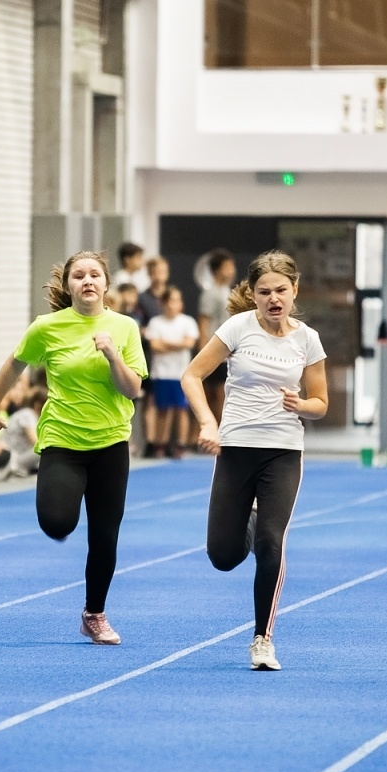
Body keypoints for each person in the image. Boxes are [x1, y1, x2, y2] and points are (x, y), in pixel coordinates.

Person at [0, 251, 147, 644]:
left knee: (104, 537)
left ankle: (95, 613)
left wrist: (111, 355)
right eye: (78, 276)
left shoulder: (124, 328)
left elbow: (133, 389)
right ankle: (61, 512)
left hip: (110, 443)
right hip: (63, 440)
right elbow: (13, 365)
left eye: (94, 275)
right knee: (57, 522)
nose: (87, 281)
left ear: (106, 285)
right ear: (68, 285)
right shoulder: (47, 327)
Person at [182, 251, 328, 671]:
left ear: (294, 290)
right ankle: (248, 517)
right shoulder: (237, 328)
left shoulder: (307, 339)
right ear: (252, 294)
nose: (273, 298)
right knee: (223, 555)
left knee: (271, 543)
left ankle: (263, 639)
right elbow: (191, 376)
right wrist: (208, 423)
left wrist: (302, 403)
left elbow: (320, 403)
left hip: (283, 452)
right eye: (264, 292)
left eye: (281, 290)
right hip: (235, 449)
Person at [144, 286, 200, 458]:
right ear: (164, 303)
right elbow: (155, 346)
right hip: (161, 373)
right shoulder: (156, 323)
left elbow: (189, 343)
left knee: (182, 409)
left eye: (177, 300)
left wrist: (166, 344)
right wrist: (177, 344)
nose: (174, 304)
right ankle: (160, 444)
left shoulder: (188, 322)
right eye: (171, 300)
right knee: (162, 409)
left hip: (181, 374)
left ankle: (181, 445)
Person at [197, 249, 237, 422]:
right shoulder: (211, 292)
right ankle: (219, 433)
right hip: (214, 350)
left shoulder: (228, 291)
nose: (232, 270)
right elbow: (203, 322)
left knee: (224, 393)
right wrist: (203, 351)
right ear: (217, 270)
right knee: (216, 394)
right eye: (227, 267)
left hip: (228, 350)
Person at [2, 386, 46, 477]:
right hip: (12, 457)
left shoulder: (34, 417)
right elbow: (35, 442)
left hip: (19, 454)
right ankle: (14, 468)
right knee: (44, 449)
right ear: (37, 404)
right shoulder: (28, 414)